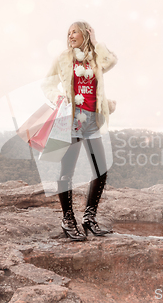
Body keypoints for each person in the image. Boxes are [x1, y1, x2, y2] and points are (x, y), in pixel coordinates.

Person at [41, 21, 117, 241]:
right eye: (68, 32)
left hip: (92, 122)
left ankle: (89, 218)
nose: (70, 35)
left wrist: (95, 43)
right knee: (67, 173)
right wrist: (58, 97)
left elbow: (110, 61)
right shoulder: (63, 59)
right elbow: (47, 84)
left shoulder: (95, 59)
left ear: (85, 34)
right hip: (71, 122)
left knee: (101, 171)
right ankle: (67, 219)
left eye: (75, 31)